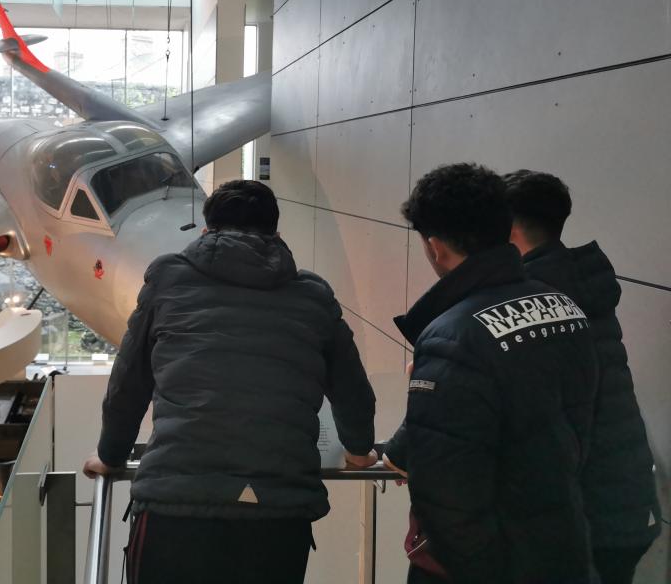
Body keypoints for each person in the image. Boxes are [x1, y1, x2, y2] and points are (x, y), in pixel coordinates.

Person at [82, 179, 377, 584]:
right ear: (276, 233)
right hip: (277, 514)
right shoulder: (313, 296)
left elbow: (128, 384)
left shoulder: (167, 280)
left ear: (207, 230)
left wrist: (111, 455)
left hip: (176, 507)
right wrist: (359, 451)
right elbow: (352, 391)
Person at [382, 163, 598, 584]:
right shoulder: (563, 307)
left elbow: (445, 498)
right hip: (561, 545)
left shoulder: (450, 337)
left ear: (435, 247)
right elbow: (578, 437)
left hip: (487, 566)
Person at [505, 170, 660, 584]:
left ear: (509, 229)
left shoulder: (533, 303)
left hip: (585, 517)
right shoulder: (581, 280)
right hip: (627, 504)